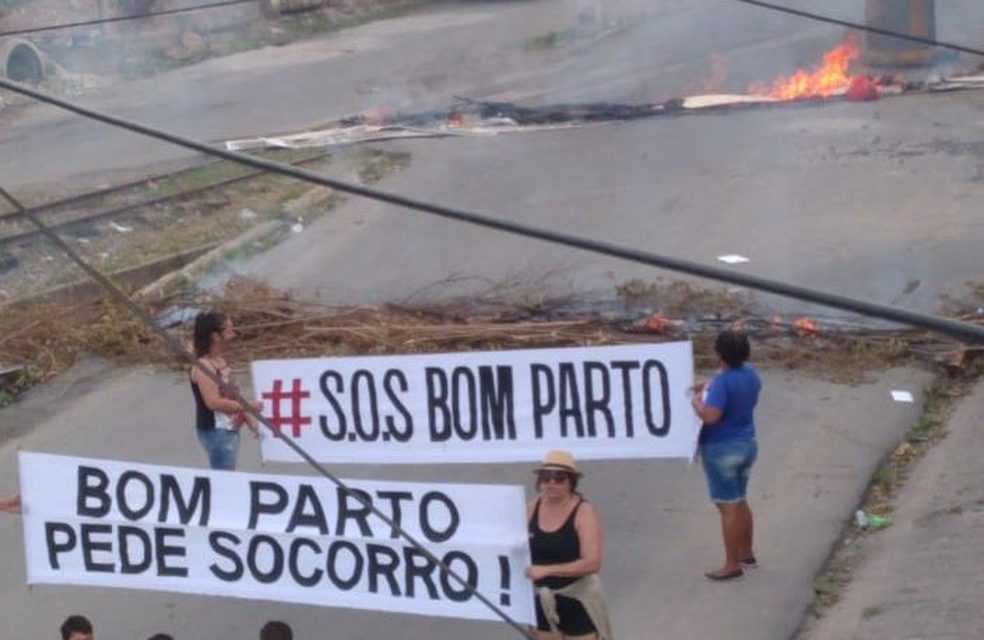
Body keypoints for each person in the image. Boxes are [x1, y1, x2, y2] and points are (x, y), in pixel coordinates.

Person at [690, 329, 761, 581]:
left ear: (719, 354)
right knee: (740, 500)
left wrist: (697, 402)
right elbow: (731, 385)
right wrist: (709, 384)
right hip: (746, 443)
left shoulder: (722, 382)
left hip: (721, 448)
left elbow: (711, 417)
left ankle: (732, 564)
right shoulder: (751, 374)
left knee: (727, 506)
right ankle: (746, 553)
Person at [526, 450, 612, 640]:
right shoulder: (531, 509)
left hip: (577, 598)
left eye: (559, 478)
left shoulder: (584, 512)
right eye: (546, 477)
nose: (551, 483)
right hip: (542, 599)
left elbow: (592, 563)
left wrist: (547, 570)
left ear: (571, 481)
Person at [190, 311, 262, 470]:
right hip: (216, 431)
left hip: (229, 427)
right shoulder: (203, 367)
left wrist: (247, 418)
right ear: (215, 336)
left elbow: (232, 395)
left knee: (228, 474)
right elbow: (213, 402)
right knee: (224, 478)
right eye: (229, 330)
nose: (233, 333)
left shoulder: (220, 361)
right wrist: (248, 406)